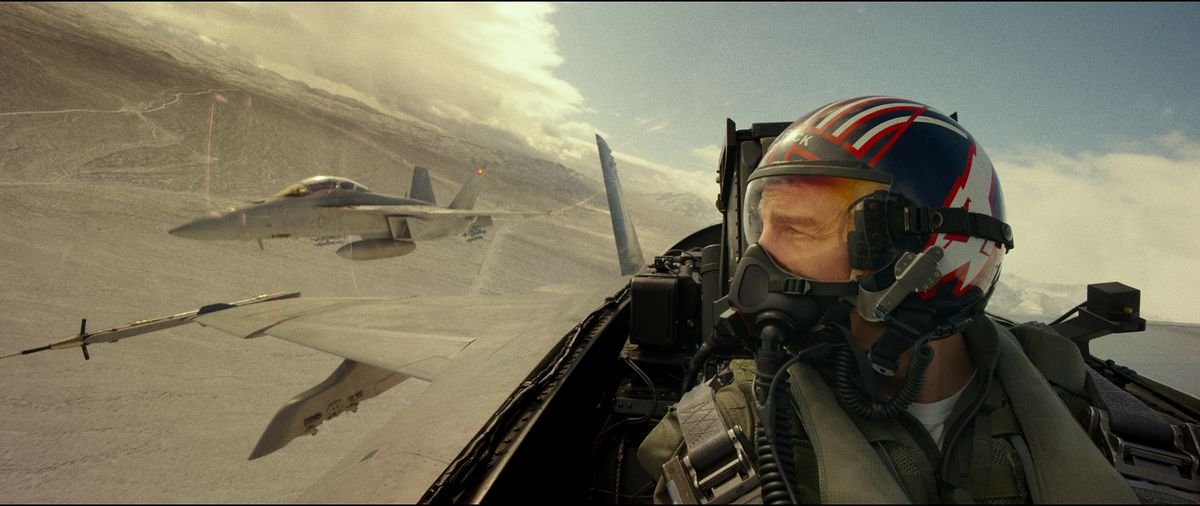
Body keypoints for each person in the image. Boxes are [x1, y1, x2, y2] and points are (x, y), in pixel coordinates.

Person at [637, 96, 1138, 503]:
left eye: (799, 228)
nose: (759, 260)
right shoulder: (732, 435)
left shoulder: (1087, 412)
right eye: (762, 226)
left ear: (925, 259)